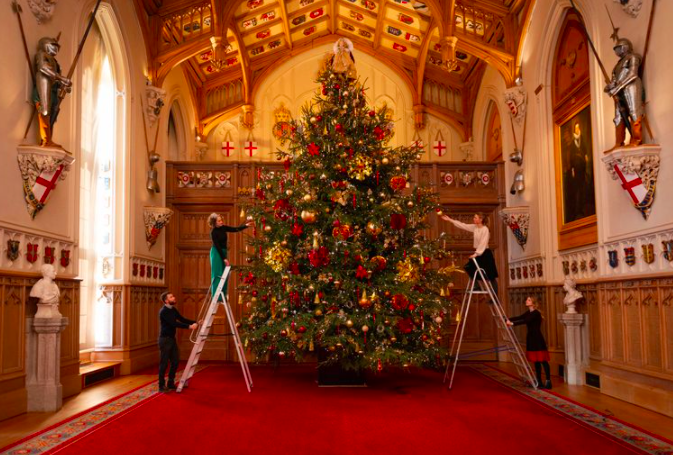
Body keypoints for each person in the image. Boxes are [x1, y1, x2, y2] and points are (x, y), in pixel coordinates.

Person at [441, 212, 499, 294]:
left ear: (481, 219)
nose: (473, 219)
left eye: (475, 217)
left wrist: (476, 254)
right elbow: (463, 225)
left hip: (485, 253)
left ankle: (495, 296)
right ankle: (477, 286)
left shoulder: (485, 229)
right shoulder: (475, 227)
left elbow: (483, 243)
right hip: (478, 252)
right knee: (468, 267)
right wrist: (450, 220)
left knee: (490, 275)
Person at [506, 297, 552, 389]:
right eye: (526, 299)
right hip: (531, 338)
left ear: (533, 303)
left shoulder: (536, 313)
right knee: (536, 361)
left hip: (537, 339)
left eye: (529, 300)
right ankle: (539, 381)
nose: (526, 301)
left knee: (543, 360)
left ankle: (548, 381)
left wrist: (512, 324)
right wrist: (507, 319)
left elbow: (525, 321)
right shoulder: (529, 312)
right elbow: (520, 317)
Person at [158, 291, 197, 392]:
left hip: (171, 339)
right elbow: (173, 323)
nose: (174, 298)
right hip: (165, 340)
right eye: (171, 297)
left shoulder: (173, 309)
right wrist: (189, 327)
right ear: (166, 301)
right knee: (164, 363)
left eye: (173, 296)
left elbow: (182, 319)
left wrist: (195, 322)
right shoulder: (163, 311)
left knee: (175, 361)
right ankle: (161, 386)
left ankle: (170, 383)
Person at [208, 213, 252, 300]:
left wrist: (246, 225)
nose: (221, 222)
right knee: (218, 273)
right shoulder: (213, 232)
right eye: (219, 221)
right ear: (214, 223)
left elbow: (235, 229)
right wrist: (224, 258)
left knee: (224, 273)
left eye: (221, 220)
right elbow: (217, 246)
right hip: (216, 252)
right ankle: (216, 297)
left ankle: (223, 294)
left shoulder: (223, 227)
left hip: (223, 252)